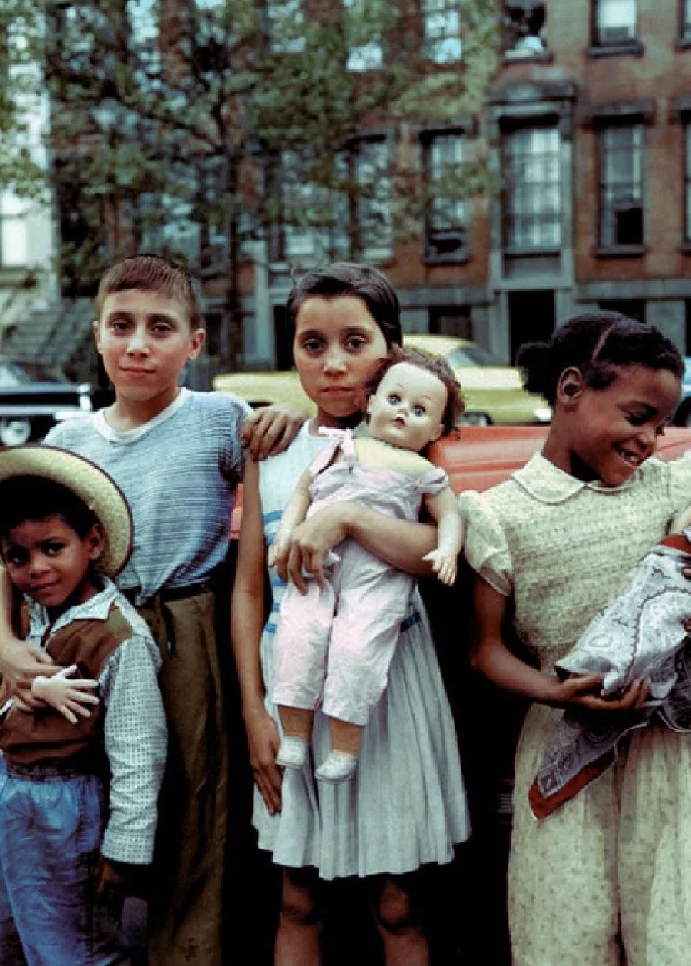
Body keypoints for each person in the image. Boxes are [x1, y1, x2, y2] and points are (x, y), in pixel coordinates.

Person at [0, 253, 306, 966]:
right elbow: (5, 554)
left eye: (160, 328)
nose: (138, 344)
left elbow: (295, 467)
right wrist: (6, 644)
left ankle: (188, 950)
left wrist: (288, 416)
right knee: (83, 779)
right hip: (89, 630)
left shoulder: (221, 419)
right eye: (122, 326)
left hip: (188, 629)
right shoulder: (69, 440)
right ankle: (75, 934)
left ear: (194, 343)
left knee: (193, 796)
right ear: (97, 334)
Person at [461, 311, 691, 966]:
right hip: (568, 743)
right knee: (571, 934)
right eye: (637, 416)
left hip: (680, 756)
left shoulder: (684, 486)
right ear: (570, 390)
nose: (650, 439)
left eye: (660, 424)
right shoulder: (502, 515)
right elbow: (486, 651)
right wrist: (559, 692)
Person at [231, 262, 470, 965]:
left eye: (355, 341)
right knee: (296, 895)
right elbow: (249, 589)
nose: (334, 363)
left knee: (399, 901)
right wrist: (253, 709)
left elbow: (437, 552)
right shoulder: (273, 450)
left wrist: (350, 517)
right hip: (292, 684)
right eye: (313, 344)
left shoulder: (419, 438)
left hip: (388, 684)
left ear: (390, 350)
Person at [0, 444, 166, 966]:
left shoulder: (120, 637)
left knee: (71, 940)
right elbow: (0, 657)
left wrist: (125, 850)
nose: (37, 569)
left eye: (52, 548)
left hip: (65, 804)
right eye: (18, 557)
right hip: (7, 789)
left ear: (92, 542)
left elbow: (139, 752)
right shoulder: (38, 610)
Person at [534, 464, 691, 817]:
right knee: (628, 628)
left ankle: (615, 674)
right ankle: (600, 668)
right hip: (643, 593)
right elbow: (678, 531)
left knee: (657, 635)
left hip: (674, 602)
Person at [270, 345, 465, 782]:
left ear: (436, 428)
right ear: (371, 401)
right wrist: (285, 535)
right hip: (318, 569)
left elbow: (449, 514)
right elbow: (302, 493)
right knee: (299, 639)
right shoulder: (341, 446)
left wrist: (448, 549)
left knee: (357, 652)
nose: (402, 413)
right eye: (394, 400)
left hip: (377, 579)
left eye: (419, 410)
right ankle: (296, 735)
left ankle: (344, 745)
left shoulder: (421, 470)